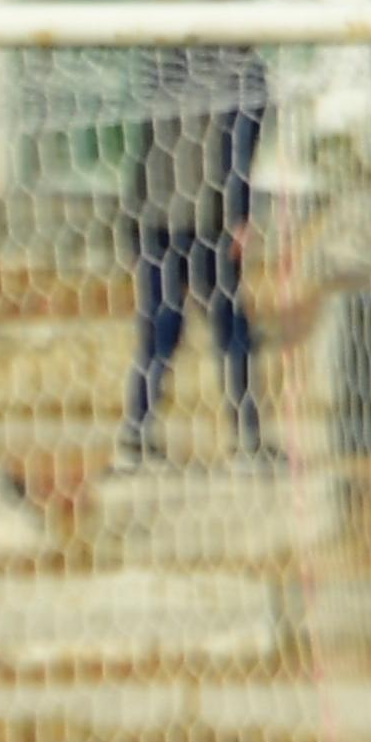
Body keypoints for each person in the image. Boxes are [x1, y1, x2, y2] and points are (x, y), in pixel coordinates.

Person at [121, 33, 270, 463]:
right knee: (231, 330)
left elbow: (143, 146)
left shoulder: (166, 65)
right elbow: (237, 152)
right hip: (208, 219)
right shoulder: (244, 74)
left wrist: (131, 220)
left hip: (154, 213)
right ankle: (247, 440)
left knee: (160, 329)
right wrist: (239, 217)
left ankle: (136, 435)